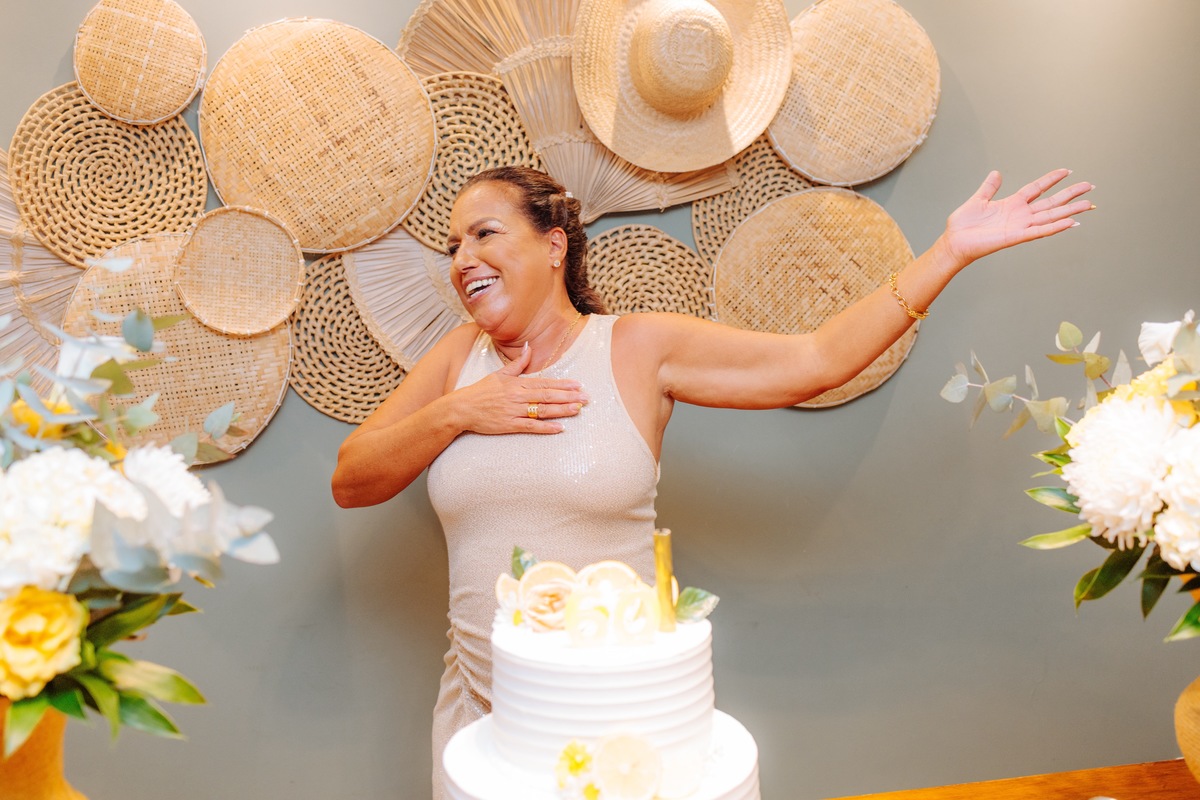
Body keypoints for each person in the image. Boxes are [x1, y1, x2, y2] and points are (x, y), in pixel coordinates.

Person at [331, 165, 1094, 797]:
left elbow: (816, 361)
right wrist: (461, 410)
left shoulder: (637, 348)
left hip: (627, 729)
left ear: (553, 245)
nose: (462, 257)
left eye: (484, 233)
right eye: (453, 244)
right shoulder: (456, 361)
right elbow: (351, 478)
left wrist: (949, 253)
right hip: (484, 725)